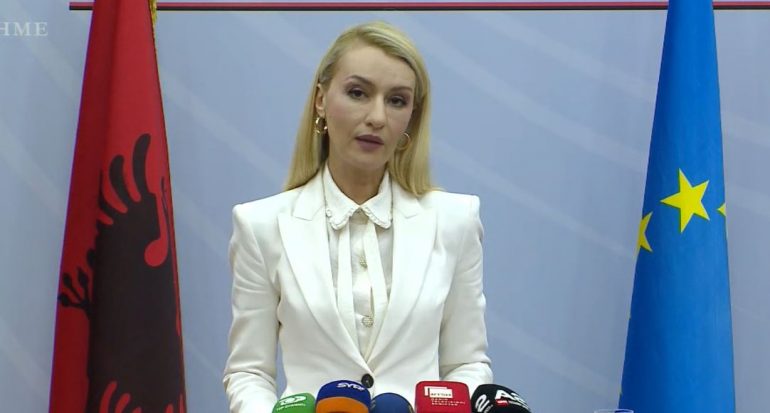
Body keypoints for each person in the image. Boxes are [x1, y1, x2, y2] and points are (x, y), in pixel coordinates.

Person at [223, 21, 492, 413]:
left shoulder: (455, 221)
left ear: (412, 117)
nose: (377, 117)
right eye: (358, 93)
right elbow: (249, 372)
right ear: (320, 100)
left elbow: (467, 364)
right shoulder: (261, 225)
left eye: (397, 100)